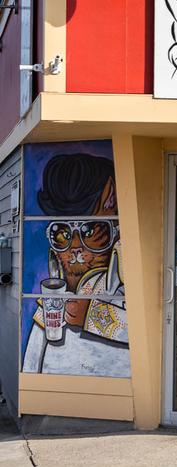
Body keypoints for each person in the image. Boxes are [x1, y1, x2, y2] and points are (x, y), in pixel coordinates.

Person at [22, 152, 129, 377]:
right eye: (62, 234)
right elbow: (33, 358)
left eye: (90, 231)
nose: (76, 248)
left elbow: (149, 326)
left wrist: (90, 315)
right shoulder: (53, 294)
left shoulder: (124, 281)